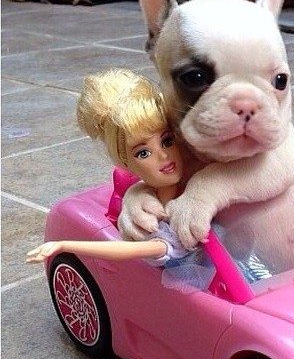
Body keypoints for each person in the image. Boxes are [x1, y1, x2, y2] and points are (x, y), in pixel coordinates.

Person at [27, 69, 214, 291]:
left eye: (167, 141)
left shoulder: (194, 170)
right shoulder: (161, 228)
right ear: (126, 163)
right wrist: (64, 245)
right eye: (143, 153)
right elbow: (125, 250)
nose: (164, 155)